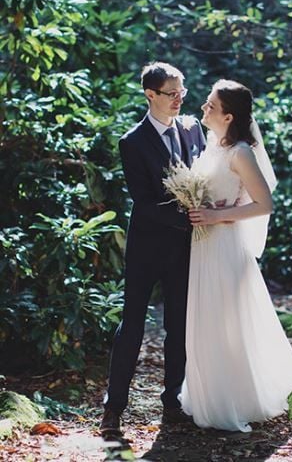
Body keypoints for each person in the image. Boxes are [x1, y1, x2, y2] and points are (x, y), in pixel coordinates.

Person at [179, 79, 292, 432]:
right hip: (203, 245)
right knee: (206, 319)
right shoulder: (211, 147)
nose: (204, 108)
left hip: (225, 244)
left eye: (210, 105)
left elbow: (264, 203)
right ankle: (207, 394)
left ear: (228, 116)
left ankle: (236, 399)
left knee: (228, 322)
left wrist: (215, 216)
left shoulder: (240, 152)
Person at [100, 62, 205, 434]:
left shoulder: (193, 130)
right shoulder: (132, 141)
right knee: (132, 326)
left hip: (186, 248)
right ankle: (114, 409)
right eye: (171, 93)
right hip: (146, 247)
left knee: (178, 325)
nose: (179, 99)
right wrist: (188, 215)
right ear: (150, 95)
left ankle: (172, 403)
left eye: (183, 92)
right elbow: (142, 201)